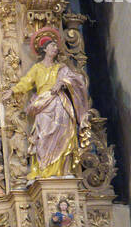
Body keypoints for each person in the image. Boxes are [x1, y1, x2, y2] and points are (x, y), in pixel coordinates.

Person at [9, 29, 90, 178]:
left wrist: (62, 82)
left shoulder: (61, 68)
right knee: (44, 135)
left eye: (56, 46)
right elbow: (26, 82)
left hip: (60, 104)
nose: (55, 48)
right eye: (52, 46)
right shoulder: (37, 68)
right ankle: (45, 171)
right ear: (44, 49)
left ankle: (62, 171)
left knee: (64, 133)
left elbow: (77, 80)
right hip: (43, 105)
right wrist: (13, 91)